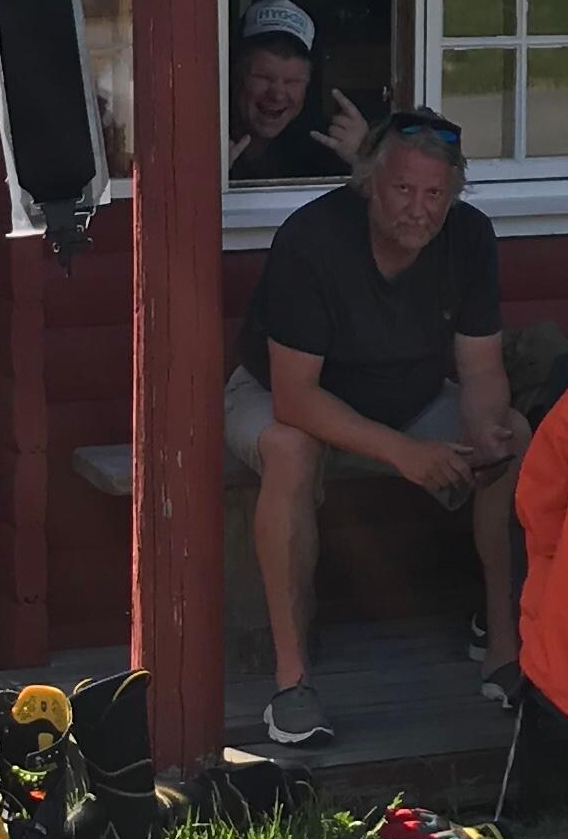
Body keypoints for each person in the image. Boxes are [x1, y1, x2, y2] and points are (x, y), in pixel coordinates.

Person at [225, 111, 529, 747]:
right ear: (369, 182)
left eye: (434, 194)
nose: (418, 210)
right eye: (402, 190)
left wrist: (485, 433)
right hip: (285, 396)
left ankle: (503, 644)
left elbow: (480, 368)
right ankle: (292, 683)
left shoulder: (470, 238)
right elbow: (296, 397)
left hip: (410, 397)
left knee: (516, 434)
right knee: (290, 451)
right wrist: (405, 454)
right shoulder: (312, 239)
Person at [228, 0, 365, 181]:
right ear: (237, 76)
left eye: (292, 81)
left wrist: (363, 159)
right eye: (263, 78)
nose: (277, 95)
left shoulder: (325, 148)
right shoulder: (202, 137)